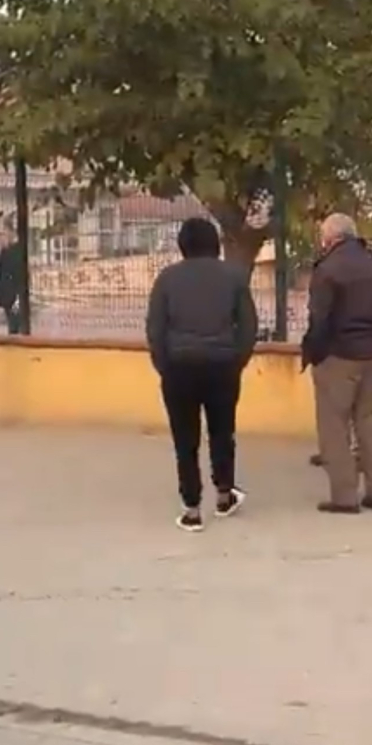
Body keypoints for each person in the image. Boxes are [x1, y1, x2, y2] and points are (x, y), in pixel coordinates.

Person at [146, 216, 258, 531]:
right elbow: (248, 327)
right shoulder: (234, 277)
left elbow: (155, 329)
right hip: (222, 365)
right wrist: (237, 361)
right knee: (222, 432)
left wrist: (165, 366)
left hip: (179, 367)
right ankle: (224, 494)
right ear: (215, 243)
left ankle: (192, 509)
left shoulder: (167, 279)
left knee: (185, 439)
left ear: (182, 245)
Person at [302, 213, 372, 515]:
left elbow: (319, 318)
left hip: (338, 355)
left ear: (330, 237)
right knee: (371, 422)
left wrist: (314, 352)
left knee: (334, 427)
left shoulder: (327, 269)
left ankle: (344, 497)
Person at [0, 225, 21, 336]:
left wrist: (18, 298)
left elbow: (19, 276)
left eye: (2, 234)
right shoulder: (4, 252)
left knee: (14, 326)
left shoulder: (16, 252)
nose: (0, 238)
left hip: (13, 297)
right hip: (5, 295)